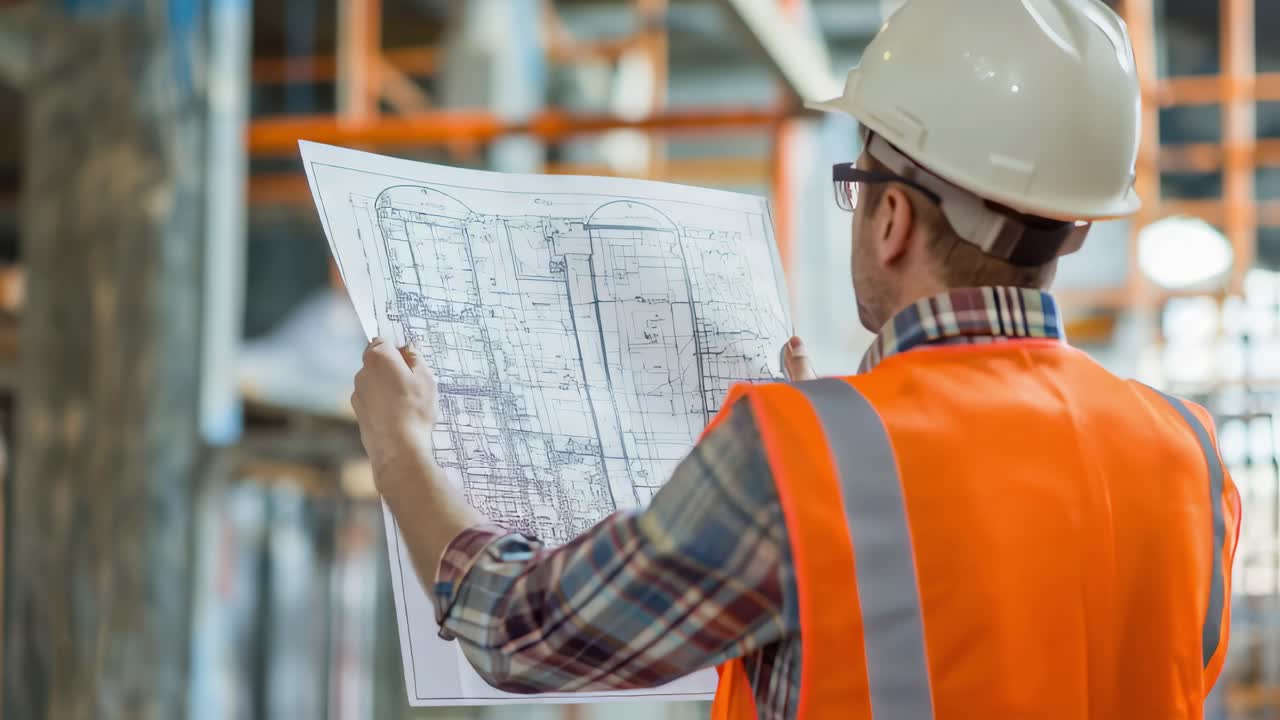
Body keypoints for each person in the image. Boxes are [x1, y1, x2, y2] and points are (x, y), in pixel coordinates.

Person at [351, 0, 1242, 717]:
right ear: (1073, 227)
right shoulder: (1190, 457)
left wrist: (400, 451)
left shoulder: (796, 459)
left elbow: (522, 631)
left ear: (891, 219)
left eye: (854, 190)